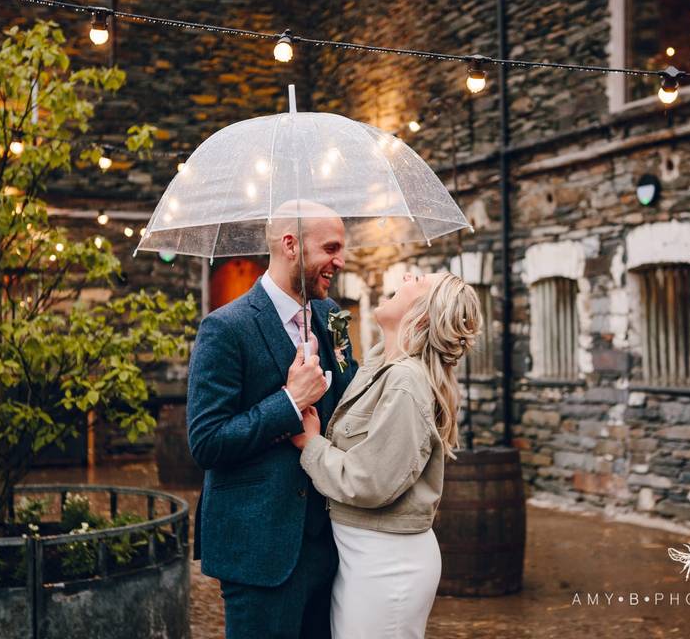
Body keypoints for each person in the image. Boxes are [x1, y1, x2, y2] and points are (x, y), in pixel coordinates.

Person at [186, 200, 359, 639]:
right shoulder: (225, 328)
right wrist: (288, 400)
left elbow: (352, 403)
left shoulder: (332, 316)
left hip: (327, 543)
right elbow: (206, 441)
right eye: (331, 248)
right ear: (290, 246)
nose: (340, 261)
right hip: (259, 548)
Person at [291, 270, 483, 638]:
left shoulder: (406, 382)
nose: (409, 273)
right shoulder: (380, 366)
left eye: (419, 279)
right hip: (363, 557)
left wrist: (310, 444)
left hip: (387, 565)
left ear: (423, 314)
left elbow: (371, 480)